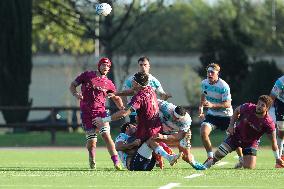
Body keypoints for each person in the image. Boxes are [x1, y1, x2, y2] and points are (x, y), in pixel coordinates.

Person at [94, 72, 182, 168]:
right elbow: (132, 91)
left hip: (146, 129)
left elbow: (124, 112)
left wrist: (104, 120)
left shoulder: (139, 98)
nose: (131, 81)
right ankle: (165, 157)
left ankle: (142, 160)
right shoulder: (149, 89)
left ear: (137, 84)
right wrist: (116, 93)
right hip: (156, 126)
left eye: (133, 80)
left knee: (130, 146)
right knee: (150, 142)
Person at [69, 57, 124, 170]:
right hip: (86, 114)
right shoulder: (87, 75)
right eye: (104, 65)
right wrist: (76, 94)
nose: (106, 67)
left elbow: (116, 98)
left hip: (101, 113)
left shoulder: (109, 83)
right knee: (92, 142)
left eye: (108, 66)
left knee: (106, 135)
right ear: (99, 65)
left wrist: (122, 107)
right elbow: (72, 85)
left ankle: (116, 162)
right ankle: (92, 157)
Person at [204, 95, 284, 169]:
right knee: (218, 154)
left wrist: (277, 158)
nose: (259, 106)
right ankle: (205, 165)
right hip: (236, 136)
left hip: (251, 143)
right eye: (259, 104)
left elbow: (274, 142)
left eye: (262, 105)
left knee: (249, 168)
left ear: (267, 108)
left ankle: (241, 162)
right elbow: (236, 111)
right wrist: (231, 125)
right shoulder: (248, 107)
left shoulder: (269, 123)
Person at [198, 63, 242, 166]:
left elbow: (227, 104)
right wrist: (201, 108)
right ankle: (210, 157)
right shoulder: (204, 83)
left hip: (226, 116)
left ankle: (241, 159)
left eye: (212, 72)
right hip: (212, 116)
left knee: (234, 139)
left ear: (217, 73)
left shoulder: (223, 86)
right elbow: (203, 95)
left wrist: (212, 105)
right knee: (203, 133)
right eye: (208, 72)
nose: (209, 74)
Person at [154, 99, 206, 170]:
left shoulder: (187, 120)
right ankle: (160, 156)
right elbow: (152, 101)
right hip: (160, 128)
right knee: (151, 139)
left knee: (186, 157)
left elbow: (179, 136)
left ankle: (193, 162)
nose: (175, 119)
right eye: (174, 116)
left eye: (178, 119)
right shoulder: (166, 107)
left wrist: (163, 136)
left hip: (176, 134)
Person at [118, 56, 172, 123]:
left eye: (145, 65)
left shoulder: (154, 81)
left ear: (149, 66)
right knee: (135, 132)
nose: (143, 67)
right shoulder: (131, 80)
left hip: (150, 113)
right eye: (141, 65)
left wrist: (165, 96)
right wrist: (125, 107)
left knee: (150, 133)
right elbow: (124, 94)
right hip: (135, 113)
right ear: (138, 66)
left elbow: (161, 94)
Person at [270, 75, 284, 167]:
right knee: (281, 132)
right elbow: (271, 97)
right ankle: (279, 160)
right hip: (281, 105)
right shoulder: (280, 81)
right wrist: (265, 111)